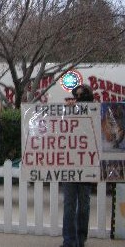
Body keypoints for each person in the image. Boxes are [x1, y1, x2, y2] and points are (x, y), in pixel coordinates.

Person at [61, 84, 94, 247]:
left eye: (82, 96)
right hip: (69, 164)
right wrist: (68, 111)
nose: (79, 100)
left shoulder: (94, 113)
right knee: (69, 204)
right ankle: (69, 240)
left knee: (84, 205)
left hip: (86, 165)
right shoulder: (68, 112)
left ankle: (80, 239)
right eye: (76, 96)